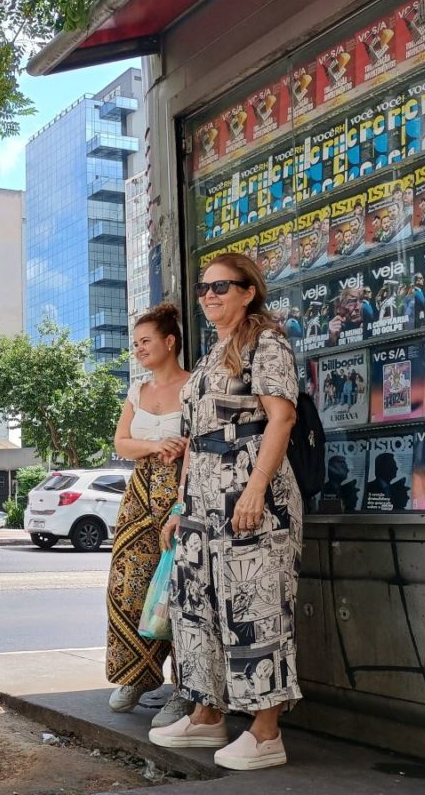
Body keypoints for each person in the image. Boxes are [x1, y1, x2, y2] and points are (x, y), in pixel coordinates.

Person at [149, 252, 303, 772]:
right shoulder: (213, 354)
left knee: (255, 605)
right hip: (202, 500)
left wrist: (257, 487)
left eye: (221, 286)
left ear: (248, 291)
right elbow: (196, 438)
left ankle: (265, 733)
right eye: (204, 288)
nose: (209, 295)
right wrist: (180, 504)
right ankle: (207, 713)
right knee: (198, 607)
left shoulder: (268, 343)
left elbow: (280, 418)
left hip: (251, 491)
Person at [108, 303, 191, 729]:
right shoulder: (137, 391)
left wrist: (181, 500)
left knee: (181, 591)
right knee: (129, 584)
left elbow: (199, 443)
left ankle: (185, 691)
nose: (138, 349)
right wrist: (157, 447)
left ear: (170, 342)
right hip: (140, 494)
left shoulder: (195, 385)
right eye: (135, 343)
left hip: (186, 492)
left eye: (146, 342)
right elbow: (122, 442)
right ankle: (137, 676)